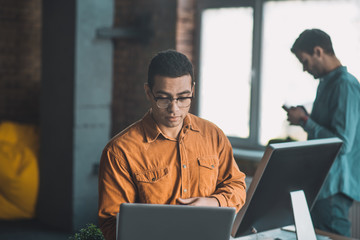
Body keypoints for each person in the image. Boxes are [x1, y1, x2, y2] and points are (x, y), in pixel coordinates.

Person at [98, 49, 247, 240]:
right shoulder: (119, 152)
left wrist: (214, 202)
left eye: (183, 98)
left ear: (192, 90)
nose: (174, 108)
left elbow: (236, 185)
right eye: (164, 98)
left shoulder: (213, 134)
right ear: (148, 92)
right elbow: (111, 225)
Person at [286, 28, 360, 237]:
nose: (304, 69)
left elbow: (342, 144)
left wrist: (304, 120)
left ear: (318, 51)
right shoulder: (326, 84)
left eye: (305, 61)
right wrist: (305, 119)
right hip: (322, 183)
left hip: (334, 188)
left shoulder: (344, 85)